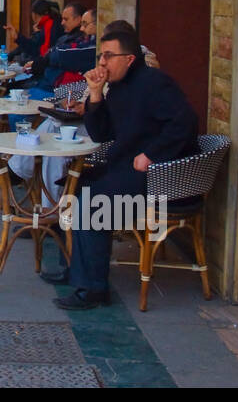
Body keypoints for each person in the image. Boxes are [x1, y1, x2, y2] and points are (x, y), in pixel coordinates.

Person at [49, 29, 199, 309]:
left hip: (158, 178)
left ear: (129, 58)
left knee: (94, 204)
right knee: (74, 187)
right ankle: (75, 268)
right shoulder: (116, 87)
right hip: (125, 170)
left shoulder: (155, 83)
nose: (102, 62)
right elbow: (100, 134)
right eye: (100, 55)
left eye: (108, 55)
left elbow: (186, 122)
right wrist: (95, 95)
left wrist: (151, 155)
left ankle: (93, 289)